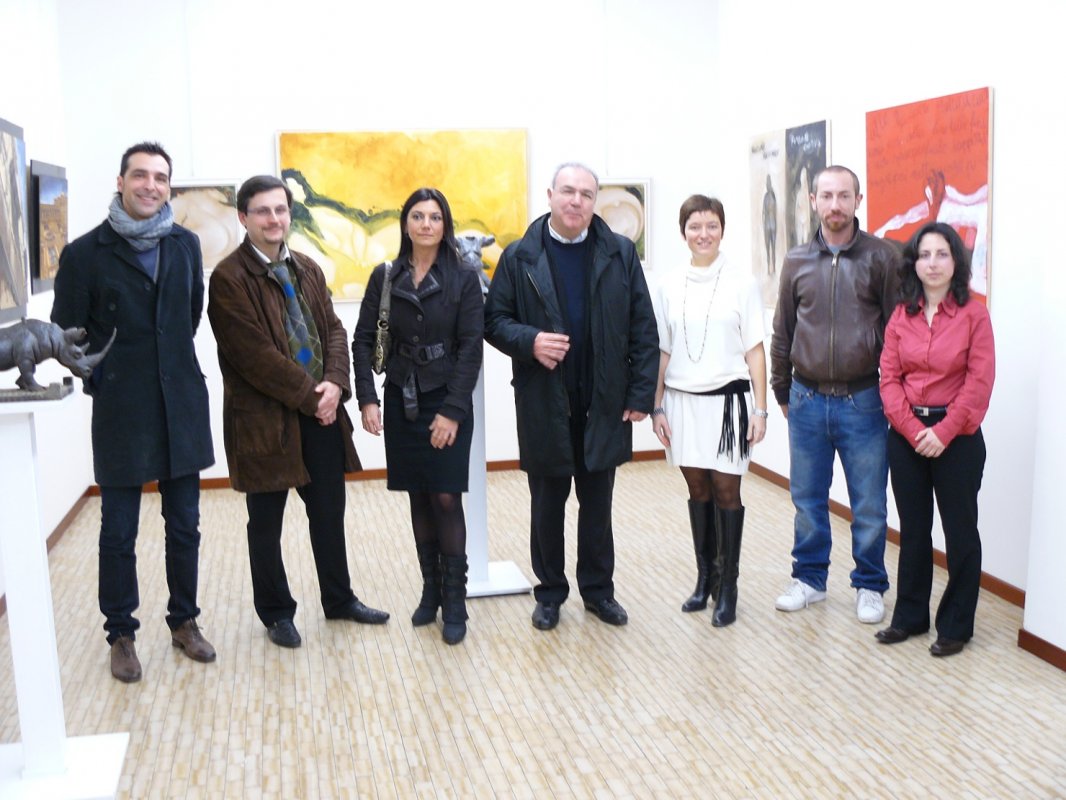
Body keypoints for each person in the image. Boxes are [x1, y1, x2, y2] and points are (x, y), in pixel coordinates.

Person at [51, 141, 216, 682]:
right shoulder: (85, 253)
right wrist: (103, 379)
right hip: (122, 409)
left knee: (185, 525)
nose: (151, 185)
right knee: (118, 531)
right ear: (120, 182)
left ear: (169, 187)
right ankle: (120, 634)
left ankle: (184, 622)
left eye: (160, 177)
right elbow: (66, 337)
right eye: (140, 175)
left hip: (180, 404)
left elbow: (189, 315)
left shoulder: (185, 245)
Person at [207, 175, 388, 649]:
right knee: (266, 524)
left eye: (280, 210)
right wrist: (314, 397)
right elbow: (254, 357)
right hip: (265, 423)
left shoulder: (306, 267)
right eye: (262, 211)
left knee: (328, 514)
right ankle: (276, 613)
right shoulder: (228, 278)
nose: (274, 219)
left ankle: (339, 600)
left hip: (320, 416)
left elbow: (334, 330)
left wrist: (335, 384)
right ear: (243, 217)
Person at [484, 162, 659, 631]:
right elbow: (493, 320)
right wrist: (531, 341)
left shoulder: (619, 252)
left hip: (604, 402)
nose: (576, 201)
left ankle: (599, 592)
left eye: (586, 193)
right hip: (545, 401)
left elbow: (643, 326)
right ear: (550, 196)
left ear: (595, 201)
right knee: (547, 506)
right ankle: (550, 593)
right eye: (568, 191)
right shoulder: (520, 256)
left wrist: (641, 393)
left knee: (598, 507)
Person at [352, 188, 483, 645]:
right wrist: (367, 398)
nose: (427, 224)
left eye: (435, 217)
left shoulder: (464, 278)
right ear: (406, 224)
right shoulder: (386, 276)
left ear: (445, 225)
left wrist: (452, 411)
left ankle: (455, 601)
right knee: (419, 497)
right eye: (418, 216)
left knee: (445, 497)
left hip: (447, 398)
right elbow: (363, 339)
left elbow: (471, 349)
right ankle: (431, 592)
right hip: (401, 396)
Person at [770, 165, 899, 624]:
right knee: (807, 499)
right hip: (805, 398)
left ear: (858, 201)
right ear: (813, 201)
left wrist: (892, 395)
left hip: (863, 400)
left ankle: (870, 585)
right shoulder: (796, 260)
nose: (835, 205)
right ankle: (809, 579)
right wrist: (781, 389)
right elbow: (783, 330)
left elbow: (896, 333)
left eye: (844, 196)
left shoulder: (882, 258)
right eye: (826, 196)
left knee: (869, 504)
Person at [875, 222, 994, 657]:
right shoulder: (901, 316)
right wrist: (913, 430)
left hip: (957, 438)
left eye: (942, 254)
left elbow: (978, 384)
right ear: (914, 263)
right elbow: (889, 379)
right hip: (907, 436)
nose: (932, 263)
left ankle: (956, 626)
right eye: (924, 255)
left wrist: (942, 433)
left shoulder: (974, 316)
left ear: (956, 262)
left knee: (960, 533)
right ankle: (910, 616)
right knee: (913, 530)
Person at [651, 196, 767, 626]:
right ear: (683, 232)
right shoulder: (668, 284)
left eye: (712, 226)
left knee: (726, 491)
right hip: (682, 402)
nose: (704, 234)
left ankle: (729, 588)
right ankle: (706, 579)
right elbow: (662, 350)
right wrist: (656, 406)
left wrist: (761, 410)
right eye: (695, 226)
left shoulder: (742, 282)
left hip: (728, 404)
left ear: (722, 229)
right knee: (697, 489)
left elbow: (755, 350)